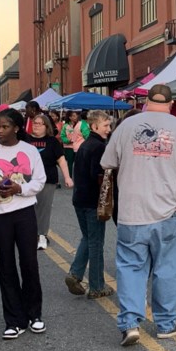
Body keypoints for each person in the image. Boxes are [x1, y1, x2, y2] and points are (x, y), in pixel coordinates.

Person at [101, 84, 176, 346]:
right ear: (171, 104)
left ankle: (130, 323)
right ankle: (166, 324)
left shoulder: (127, 126)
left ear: (146, 101)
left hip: (132, 211)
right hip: (168, 210)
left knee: (131, 268)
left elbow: (107, 162)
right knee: (167, 269)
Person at [0, 108, 47, 339]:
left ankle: (35, 315)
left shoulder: (29, 151)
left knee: (29, 263)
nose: (0, 130)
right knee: (6, 266)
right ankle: (14, 320)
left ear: (16, 128)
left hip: (24, 212)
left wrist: (20, 188)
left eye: (5, 126)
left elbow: (40, 180)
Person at [66, 110, 115, 299]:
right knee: (96, 243)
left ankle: (76, 273)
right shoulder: (99, 147)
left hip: (79, 199)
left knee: (88, 238)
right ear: (95, 126)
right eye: (105, 125)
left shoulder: (85, 145)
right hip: (93, 201)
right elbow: (99, 177)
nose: (109, 129)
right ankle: (96, 285)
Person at [29, 113, 74, 250]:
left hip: (47, 179)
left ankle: (42, 235)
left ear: (46, 126)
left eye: (39, 123)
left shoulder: (52, 141)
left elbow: (61, 160)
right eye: (34, 123)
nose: (35, 125)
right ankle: (29, 234)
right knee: (28, 209)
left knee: (43, 208)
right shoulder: (25, 140)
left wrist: (67, 177)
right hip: (27, 180)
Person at [60, 110, 89, 179]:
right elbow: (62, 136)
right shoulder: (66, 126)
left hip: (77, 147)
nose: (75, 117)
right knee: (69, 163)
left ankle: (77, 178)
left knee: (78, 163)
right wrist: (67, 141)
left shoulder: (79, 124)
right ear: (70, 117)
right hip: (68, 147)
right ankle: (69, 177)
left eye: (76, 115)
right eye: (73, 116)